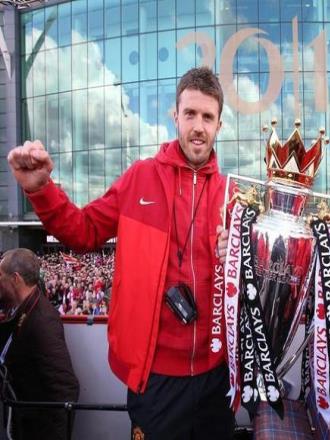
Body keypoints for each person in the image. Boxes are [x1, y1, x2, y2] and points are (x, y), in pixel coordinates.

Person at [7, 67, 234, 439]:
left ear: (219, 125)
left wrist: (240, 254)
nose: (198, 126)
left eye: (207, 117)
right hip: (155, 379)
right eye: (190, 114)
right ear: (175, 116)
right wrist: (41, 189)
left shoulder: (231, 194)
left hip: (216, 376)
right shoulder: (140, 177)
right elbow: (83, 231)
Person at [0, 248, 79, 439]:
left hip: (36, 428)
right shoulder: (20, 307)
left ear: (16, 279)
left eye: (0, 276)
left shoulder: (43, 320)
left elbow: (65, 387)